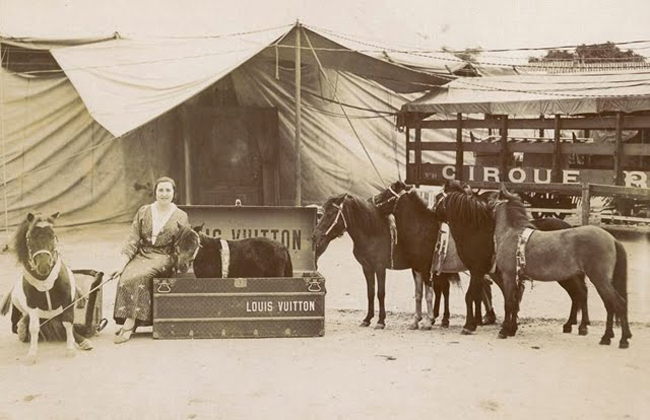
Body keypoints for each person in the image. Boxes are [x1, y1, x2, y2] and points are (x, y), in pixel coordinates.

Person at [110, 176, 189, 344]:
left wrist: (177, 264)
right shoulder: (144, 211)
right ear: (155, 192)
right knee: (125, 278)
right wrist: (121, 264)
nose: (164, 194)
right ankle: (132, 319)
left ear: (174, 193)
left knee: (141, 277)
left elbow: (181, 245)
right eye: (161, 190)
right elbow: (133, 239)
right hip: (142, 254)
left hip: (163, 257)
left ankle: (129, 324)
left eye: (168, 190)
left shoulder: (181, 216)